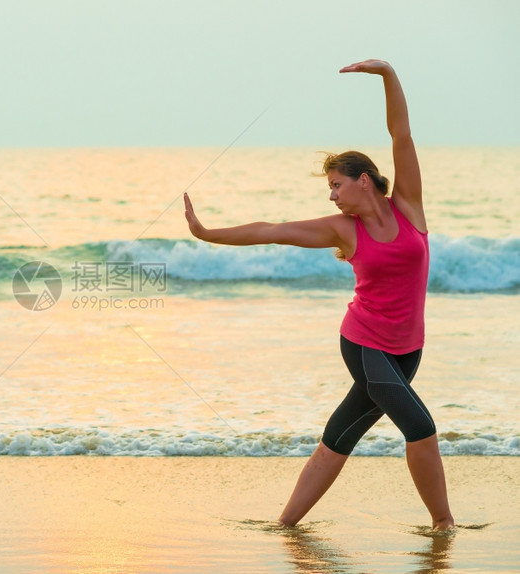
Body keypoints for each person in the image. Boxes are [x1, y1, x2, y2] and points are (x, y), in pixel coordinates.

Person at [183, 59, 454, 530]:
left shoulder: (408, 207)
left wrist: (388, 74)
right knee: (421, 428)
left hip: (409, 350)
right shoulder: (342, 230)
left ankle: (284, 524)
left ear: (363, 180)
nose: (331, 195)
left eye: (336, 184)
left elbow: (402, 137)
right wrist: (208, 233)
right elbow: (273, 230)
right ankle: (444, 526)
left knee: (339, 438)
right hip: (366, 343)